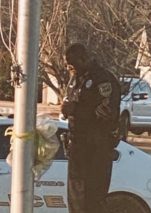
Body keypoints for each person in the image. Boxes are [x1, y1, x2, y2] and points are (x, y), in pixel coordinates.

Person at [61, 43, 121, 213]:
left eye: (72, 64)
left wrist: (76, 110)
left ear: (84, 59)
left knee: (93, 201)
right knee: (76, 200)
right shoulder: (76, 79)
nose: (70, 68)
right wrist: (67, 110)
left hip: (96, 149)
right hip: (77, 148)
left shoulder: (103, 80)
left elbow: (107, 114)